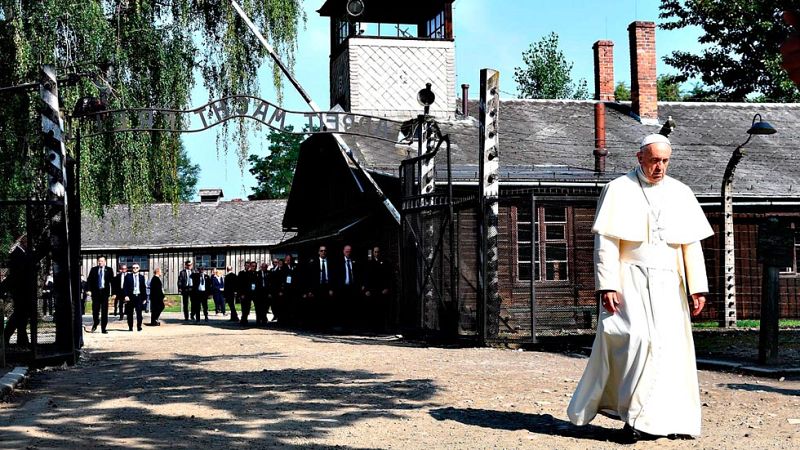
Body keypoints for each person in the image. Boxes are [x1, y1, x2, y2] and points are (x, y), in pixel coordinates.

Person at [567, 134, 713, 442]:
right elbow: (606, 243)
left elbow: (690, 244)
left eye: (665, 161)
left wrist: (697, 287)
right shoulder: (618, 189)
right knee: (636, 342)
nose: (660, 167)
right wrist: (607, 285)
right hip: (629, 278)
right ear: (640, 158)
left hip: (670, 282)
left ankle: (673, 421)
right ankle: (634, 418)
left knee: (672, 349)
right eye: (654, 160)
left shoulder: (681, 192)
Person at [303, 245, 334, 328]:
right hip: (316, 288)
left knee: (326, 306)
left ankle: (326, 325)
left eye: (325, 251)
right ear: (318, 252)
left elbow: (333, 276)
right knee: (317, 306)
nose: (323, 252)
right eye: (321, 251)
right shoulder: (313, 263)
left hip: (327, 287)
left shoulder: (330, 262)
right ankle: (317, 325)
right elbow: (309, 278)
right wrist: (309, 290)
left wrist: (331, 288)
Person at [364, 246, 393, 332]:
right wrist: (366, 289)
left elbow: (388, 276)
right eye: (375, 252)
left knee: (381, 308)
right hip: (372, 289)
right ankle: (372, 328)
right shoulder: (369, 263)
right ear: (373, 253)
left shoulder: (385, 262)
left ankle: (381, 328)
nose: (377, 253)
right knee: (372, 309)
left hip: (381, 289)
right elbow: (366, 277)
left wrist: (387, 288)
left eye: (378, 252)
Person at [86, 256, 114, 333]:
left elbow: (112, 281)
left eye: (102, 261)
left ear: (105, 262)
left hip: (105, 293)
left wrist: (114, 293)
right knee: (95, 310)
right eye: (99, 261)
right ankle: (96, 322)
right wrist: (88, 290)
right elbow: (89, 280)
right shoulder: (94, 269)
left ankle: (103, 328)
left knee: (104, 311)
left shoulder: (109, 270)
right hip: (96, 293)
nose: (100, 262)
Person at [123, 263, 147, 331]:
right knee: (130, 313)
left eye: (136, 267)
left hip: (138, 297)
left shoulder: (141, 277)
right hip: (130, 297)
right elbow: (125, 287)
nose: (135, 269)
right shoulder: (128, 276)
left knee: (139, 313)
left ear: (139, 269)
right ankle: (130, 327)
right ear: (132, 269)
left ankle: (139, 326)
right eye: (133, 268)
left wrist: (144, 298)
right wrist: (126, 295)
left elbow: (143, 288)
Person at [238, 261, 258, 325]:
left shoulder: (255, 273)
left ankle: (258, 319)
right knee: (245, 307)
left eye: (249, 265)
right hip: (246, 293)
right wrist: (241, 293)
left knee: (257, 307)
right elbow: (241, 284)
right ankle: (244, 319)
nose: (248, 267)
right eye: (246, 265)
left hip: (254, 292)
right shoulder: (242, 273)